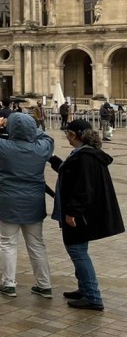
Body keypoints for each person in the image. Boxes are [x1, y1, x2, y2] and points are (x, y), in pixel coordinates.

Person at [49, 119, 125, 310]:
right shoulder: (85, 154)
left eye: (67, 133)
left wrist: (72, 212)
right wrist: (53, 160)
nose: (66, 136)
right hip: (83, 212)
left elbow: (84, 188)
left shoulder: (85, 157)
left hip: (80, 214)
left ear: (74, 135)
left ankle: (92, 296)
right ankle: (84, 289)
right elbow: (71, 173)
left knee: (77, 251)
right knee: (78, 249)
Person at [0, 113, 54, 299]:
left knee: (8, 244)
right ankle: (44, 285)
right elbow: (48, 138)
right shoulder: (41, 148)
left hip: (7, 203)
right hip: (33, 203)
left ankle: (9, 284)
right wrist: (31, 129)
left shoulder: (2, 147)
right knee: (36, 244)